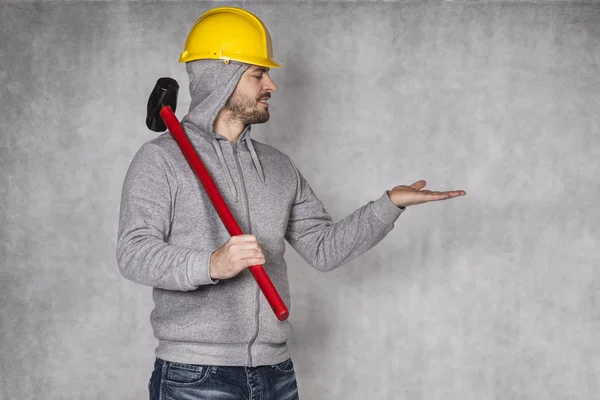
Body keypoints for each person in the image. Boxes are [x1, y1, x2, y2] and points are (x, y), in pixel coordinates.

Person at [116, 6, 466, 400]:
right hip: (195, 376)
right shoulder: (162, 159)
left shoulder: (278, 167)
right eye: (258, 74)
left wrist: (388, 205)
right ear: (222, 77)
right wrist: (211, 264)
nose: (272, 85)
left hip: (275, 374)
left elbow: (323, 249)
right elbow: (133, 252)